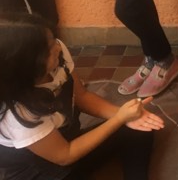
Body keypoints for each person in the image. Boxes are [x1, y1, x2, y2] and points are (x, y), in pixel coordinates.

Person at [0, 11, 164, 180]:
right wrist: (119, 118)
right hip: (40, 167)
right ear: (27, 64)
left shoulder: (57, 52)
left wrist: (127, 116)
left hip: (67, 141)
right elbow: (65, 155)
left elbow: (82, 96)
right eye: (49, 48)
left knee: (140, 126)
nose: (58, 47)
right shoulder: (16, 112)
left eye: (53, 40)